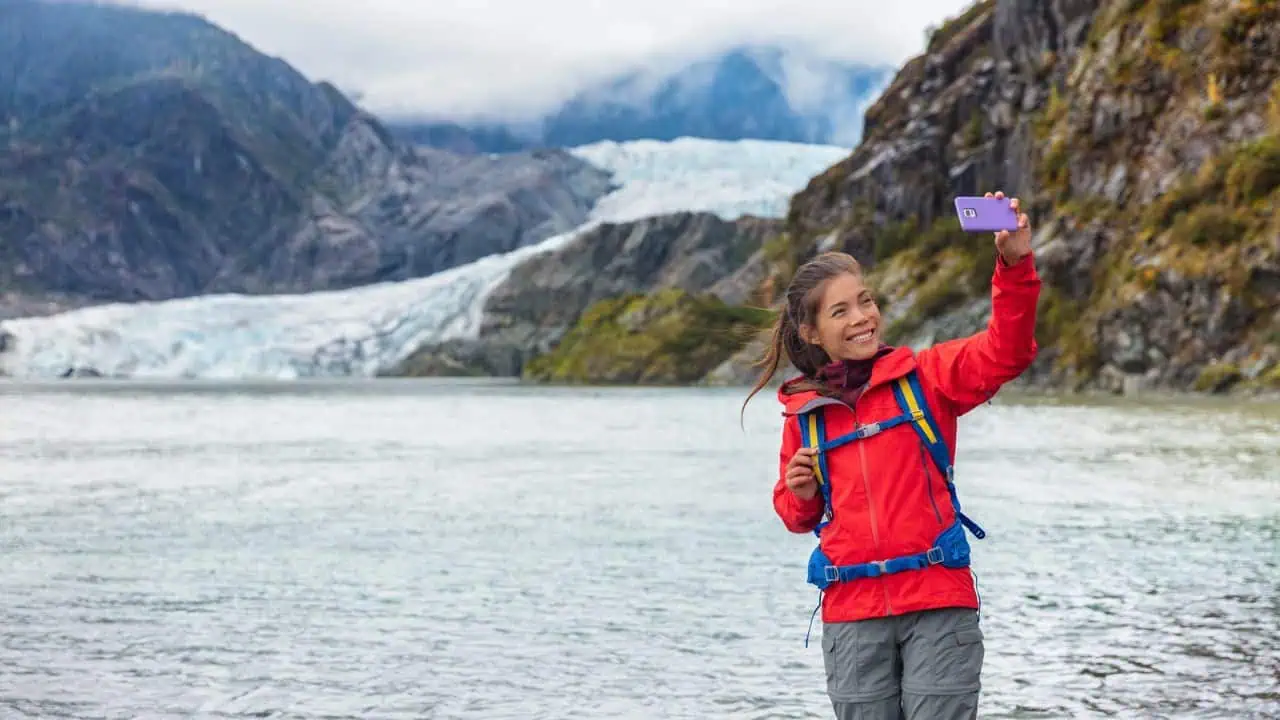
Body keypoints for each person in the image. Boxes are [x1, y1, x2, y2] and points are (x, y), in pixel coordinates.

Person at [742, 191, 1040, 720]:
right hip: (852, 617)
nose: (863, 317)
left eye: (867, 301)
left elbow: (1006, 351)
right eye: (842, 310)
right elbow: (796, 515)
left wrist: (1013, 264)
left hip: (937, 604)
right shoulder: (804, 413)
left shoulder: (926, 377)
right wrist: (799, 489)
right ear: (812, 332)